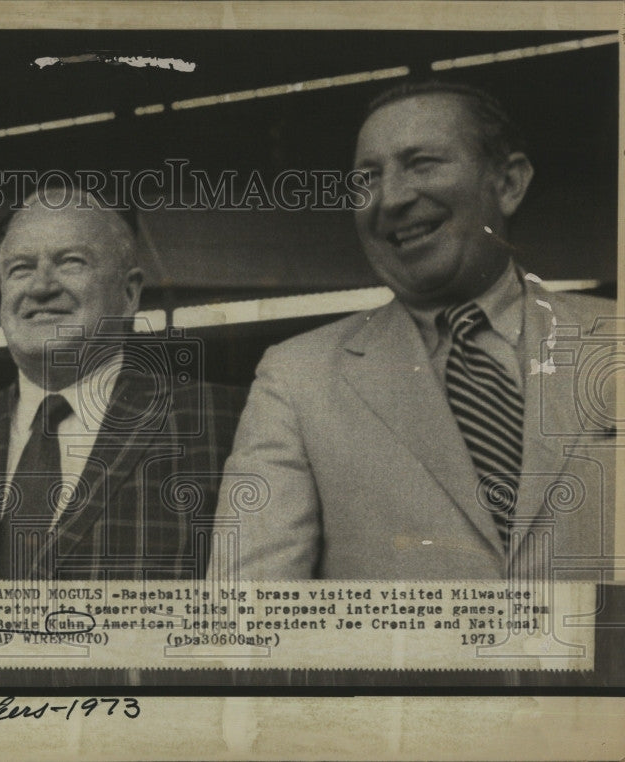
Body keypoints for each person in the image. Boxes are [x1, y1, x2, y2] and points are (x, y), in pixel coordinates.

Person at [216, 81, 615, 579]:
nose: (391, 198)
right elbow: (248, 618)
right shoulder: (297, 379)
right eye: (368, 176)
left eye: (422, 163)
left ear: (509, 183)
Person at [0, 188, 244, 580]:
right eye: (20, 269)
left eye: (70, 262)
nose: (40, 287)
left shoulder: (224, 422)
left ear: (128, 293)